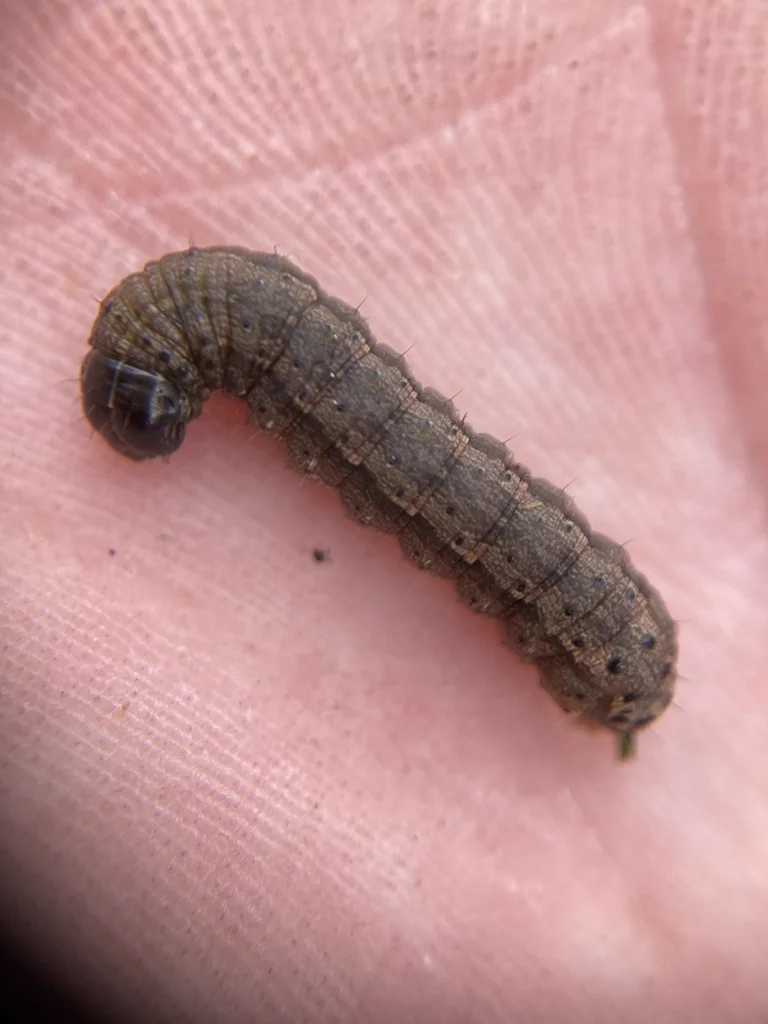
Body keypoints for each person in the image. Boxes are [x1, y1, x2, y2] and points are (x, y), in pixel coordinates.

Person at [2, 1, 766, 1020]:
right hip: (610, 634)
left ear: (189, 355)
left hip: (612, 637)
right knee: (433, 474)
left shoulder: (243, 312)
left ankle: (615, 674)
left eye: (149, 401)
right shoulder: (248, 326)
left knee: (448, 488)